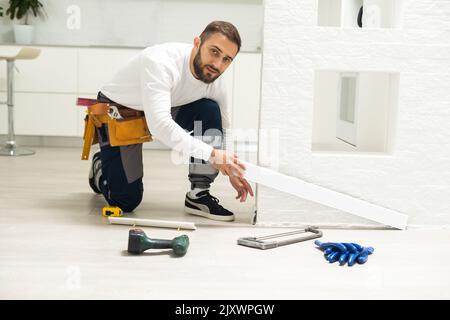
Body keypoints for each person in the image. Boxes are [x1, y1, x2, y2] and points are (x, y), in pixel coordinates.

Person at [88, 21, 253, 222]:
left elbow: (224, 126)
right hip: (121, 109)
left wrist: (231, 169)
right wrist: (212, 154)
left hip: (167, 106)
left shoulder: (214, 79)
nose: (218, 65)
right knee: (126, 201)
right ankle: (101, 167)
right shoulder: (160, 62)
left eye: (227, 59)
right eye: (214, 52)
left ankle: (198, 194)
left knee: (209, 110)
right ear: (197, 43)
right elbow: (160, 126)